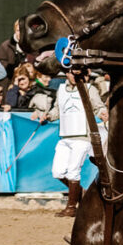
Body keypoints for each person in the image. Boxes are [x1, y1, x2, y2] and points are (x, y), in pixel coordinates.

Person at [33, 69, 108, 218]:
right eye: (71, 73)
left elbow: (98, 107)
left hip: (82, 137)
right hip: (65, 136)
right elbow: (57, 110)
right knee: (58, 172)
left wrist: (103, 113)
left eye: (78, 73)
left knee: (73, 171)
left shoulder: (89, 89)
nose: (74, 76)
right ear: (67, 74)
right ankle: (83, 196)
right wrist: (48, 116)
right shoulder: (61, 90)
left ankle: (71, 207)